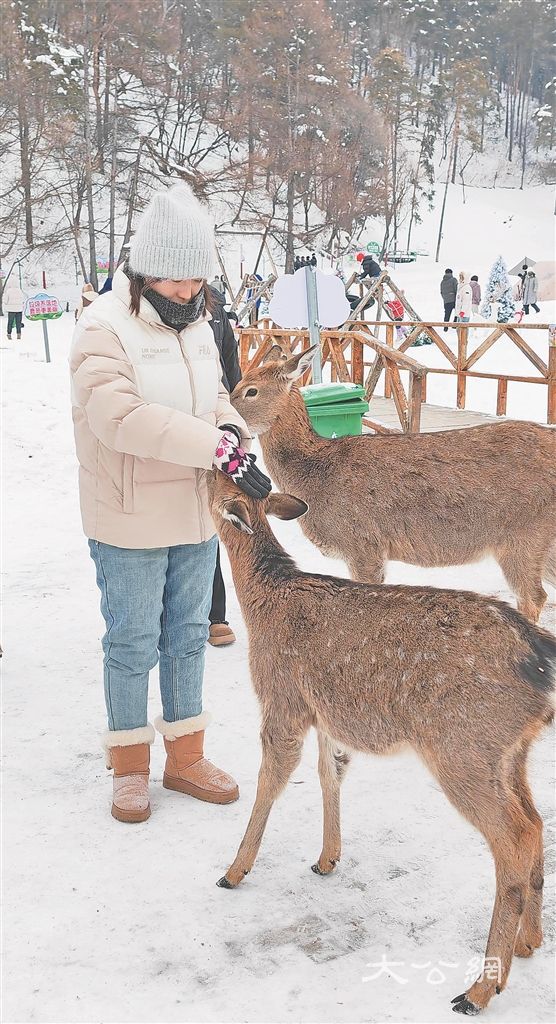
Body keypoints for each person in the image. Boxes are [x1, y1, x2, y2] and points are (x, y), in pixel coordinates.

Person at [69, 182, 271, 824]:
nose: (190, 291)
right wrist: (217, 447)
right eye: (180, 279)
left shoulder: (199, 328)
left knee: (186, 637)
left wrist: (235, 433)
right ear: (146, 268)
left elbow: (213, 399)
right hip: (126, 516)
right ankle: (129, 767)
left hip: (193, 511)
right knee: (132, 643)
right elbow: (120, 418)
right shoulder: (101, 327)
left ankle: (186, 757)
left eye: (198, 279)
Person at [207, 281, 243, 647]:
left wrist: (236, 422)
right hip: (163, 424)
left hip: (213, 423)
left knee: (212, 516)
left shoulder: (214, 306)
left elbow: (231, 367)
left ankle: (214, 612)